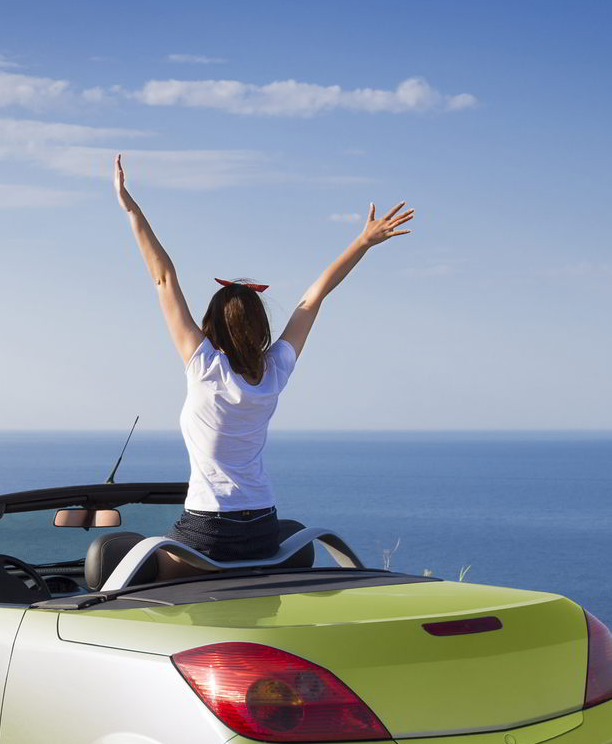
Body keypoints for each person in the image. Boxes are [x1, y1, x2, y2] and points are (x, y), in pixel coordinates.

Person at [113, 154, 414, 573]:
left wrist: (130, 207)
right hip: (262, 523)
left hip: (209, 526)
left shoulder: (204, 366)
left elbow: (163, 278)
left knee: (130, 574)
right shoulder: (274, 371)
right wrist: (362, 242)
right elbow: (313, 299)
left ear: (211, 324)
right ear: (260, 326)